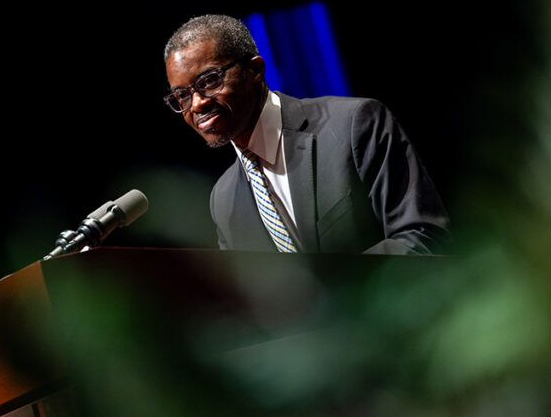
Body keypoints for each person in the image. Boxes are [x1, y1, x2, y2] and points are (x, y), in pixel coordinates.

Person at [163, 14, 449, 254]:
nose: (198, 103)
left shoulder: (354, 124)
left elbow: (423, 236)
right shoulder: (222, 199)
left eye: (209, 81)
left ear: (255, 70)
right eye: (182, 96)